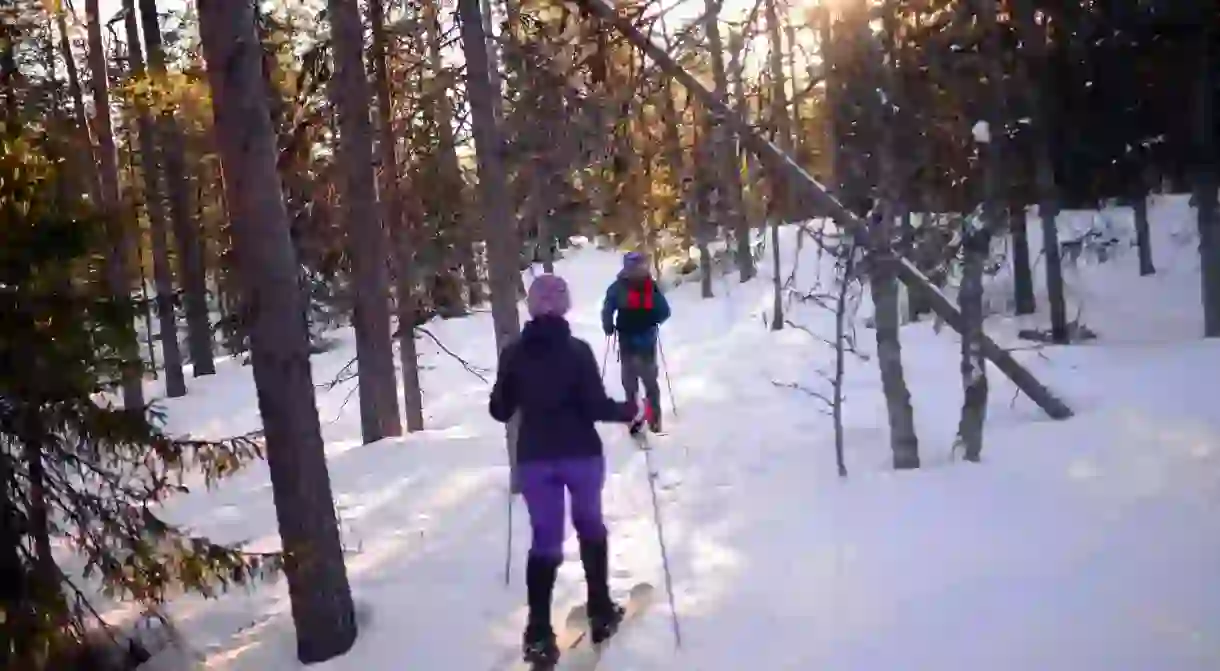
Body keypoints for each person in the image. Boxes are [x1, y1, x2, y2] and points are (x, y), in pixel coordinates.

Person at [489, 273, 652, 666]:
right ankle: (600, 611)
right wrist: (631, 410)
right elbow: (596, 407)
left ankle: (539, 634)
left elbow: (500, 410)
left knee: (545, 542)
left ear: (531, 305)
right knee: (590, 527)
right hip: (580, 455)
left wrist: (511, 385)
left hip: (535, 459)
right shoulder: (577, 351)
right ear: (564, 306)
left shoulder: (514, 353)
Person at [601, 251, 671, 432]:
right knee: (650, 382)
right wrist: (653, 320)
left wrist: (608, 326)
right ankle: (654, 419)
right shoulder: (651, 286)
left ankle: (634, 416)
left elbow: (607, 308)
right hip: (647, 341)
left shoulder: (618, 286)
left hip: (626, 340)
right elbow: (665, 311)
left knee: (630, 383)